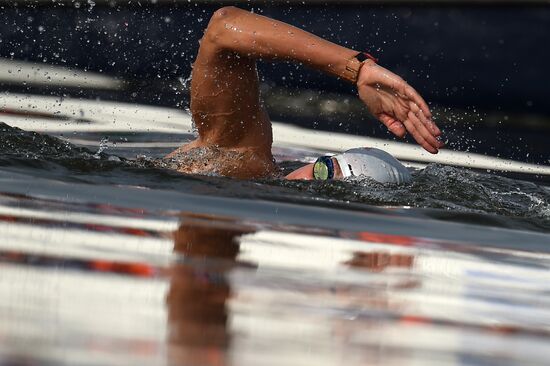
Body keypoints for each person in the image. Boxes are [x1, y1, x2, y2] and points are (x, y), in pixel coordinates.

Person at [163, 6, 443, 183]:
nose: (310, 183)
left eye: (327, 187)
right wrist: (357, 69)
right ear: (316, 160)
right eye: (323, 170)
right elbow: (222, 27)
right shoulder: (244, 160)